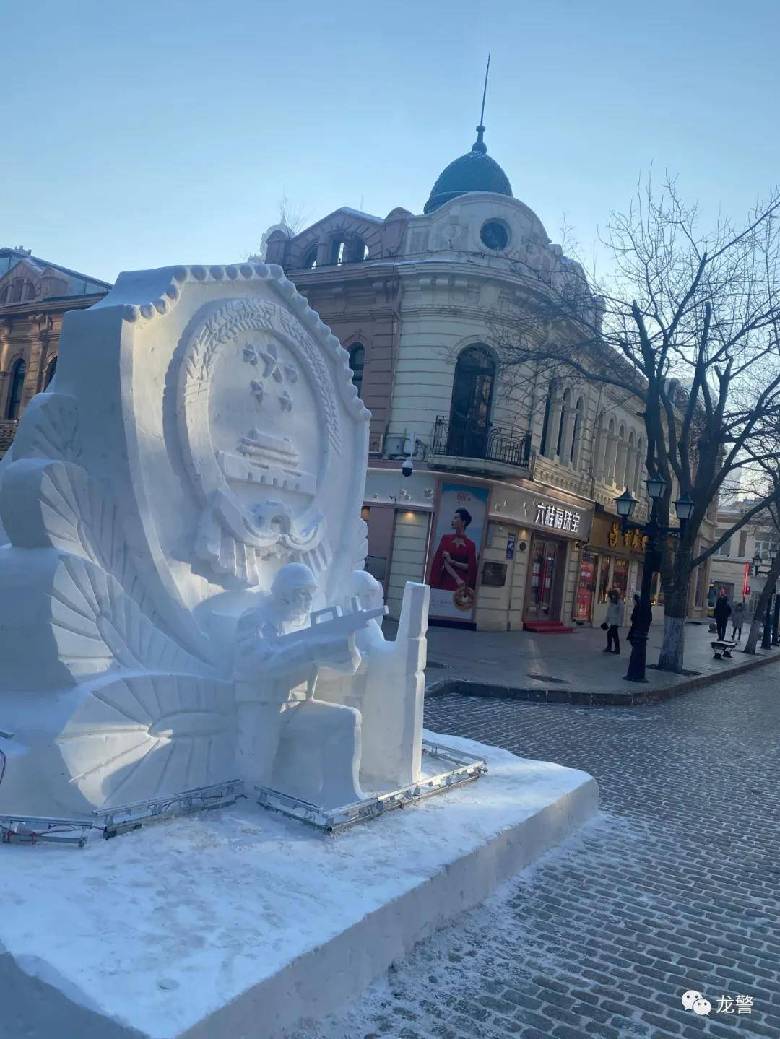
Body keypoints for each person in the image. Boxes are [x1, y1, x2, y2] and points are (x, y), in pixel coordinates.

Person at [428, 508, 478, 595]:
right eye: (453, 518)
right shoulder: (446, 539)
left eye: (456, 518)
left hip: (462, 584)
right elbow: (440, 561)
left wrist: (452, 562)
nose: (453, 520)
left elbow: (470, 567)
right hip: (446, 581)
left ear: (463, 522)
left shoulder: (470, 544)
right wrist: (456, 578)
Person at [603, 589, 623, 654]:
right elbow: (609, 613)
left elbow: (621, 613)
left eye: (613, 595)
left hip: (616, 622)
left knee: (610, 634)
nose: (612, 597)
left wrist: (619, 623)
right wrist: (606, 621)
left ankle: (613, 648)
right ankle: (613, 649)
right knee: (613, 635)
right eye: (611, 596)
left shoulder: (619, 602)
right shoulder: (611, 602)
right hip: (612, 622)